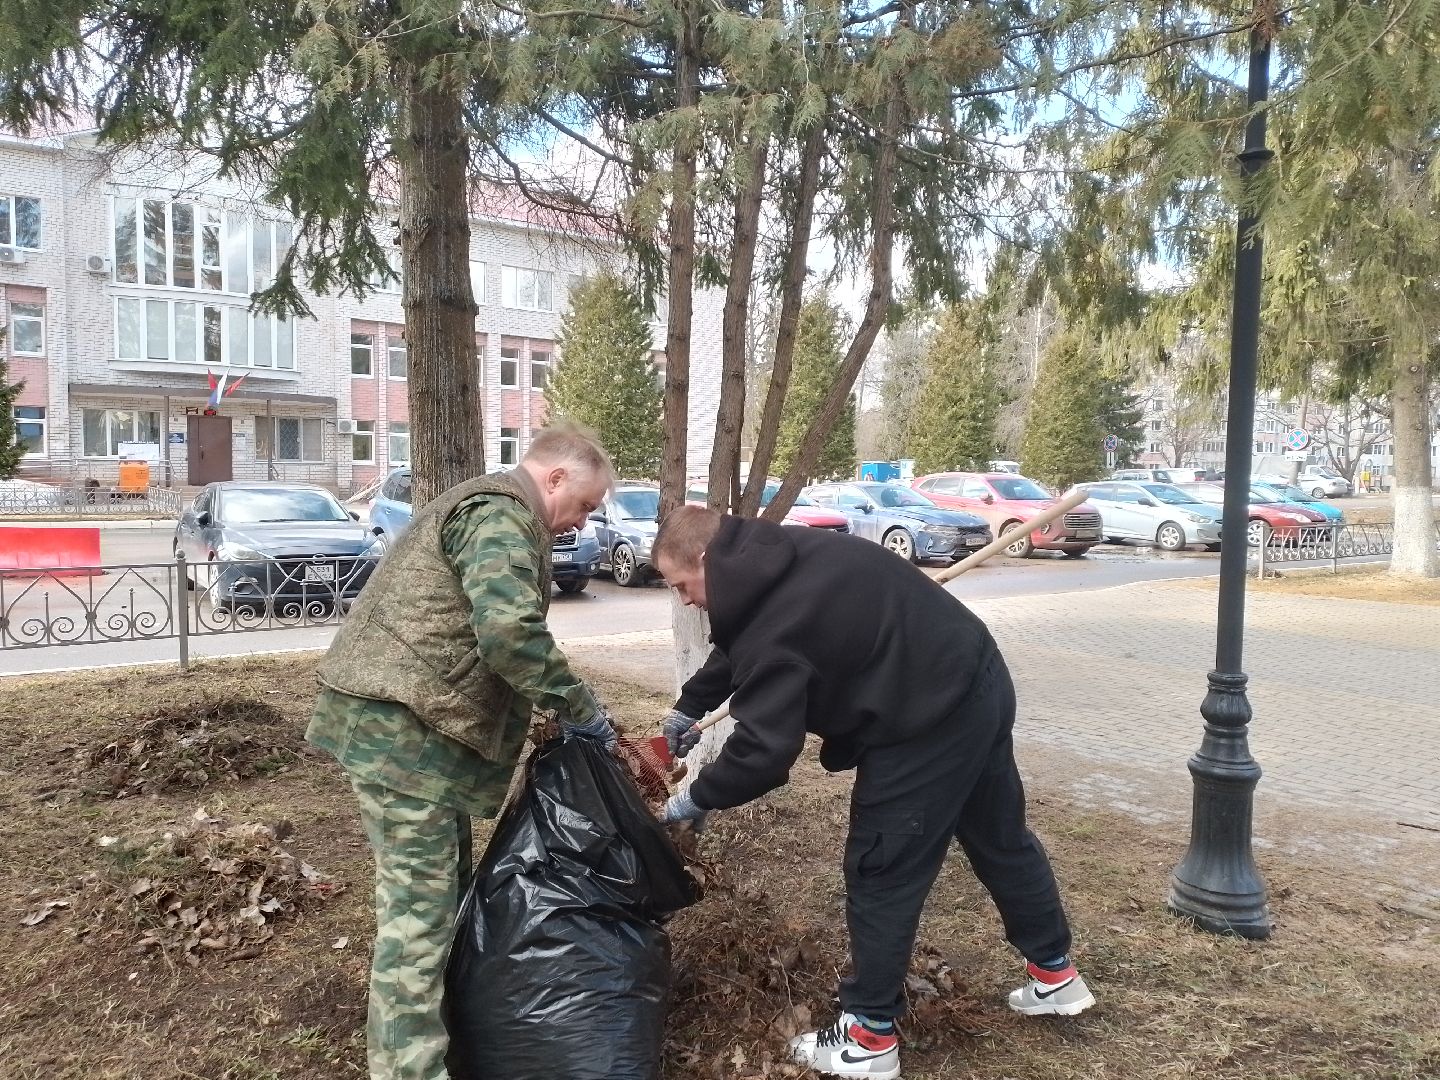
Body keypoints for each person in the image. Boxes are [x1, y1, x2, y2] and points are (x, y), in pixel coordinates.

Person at [654, 506, 1094, 1080]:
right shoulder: (778, 556)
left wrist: (693, 800)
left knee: (882, 868)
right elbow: (740, 642)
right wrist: (689, 706)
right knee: (999, 836)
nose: (685, 600)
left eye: (682, 585)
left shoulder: (773, 625)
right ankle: (1056, 975)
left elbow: (763, 752)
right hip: (976, 677)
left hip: (924, 721)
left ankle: (868, 1038)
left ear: (706, 560)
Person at [306, 421, 618, 1080]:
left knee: (440, 900)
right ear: (555, 478)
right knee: (417, 917)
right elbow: (509, 634)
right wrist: (580, 709)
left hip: (419, 736)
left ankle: (436, 1049)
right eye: (585, 504)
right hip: (401, 738)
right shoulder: (501, 515)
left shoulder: (500, 511)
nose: (582, 522)